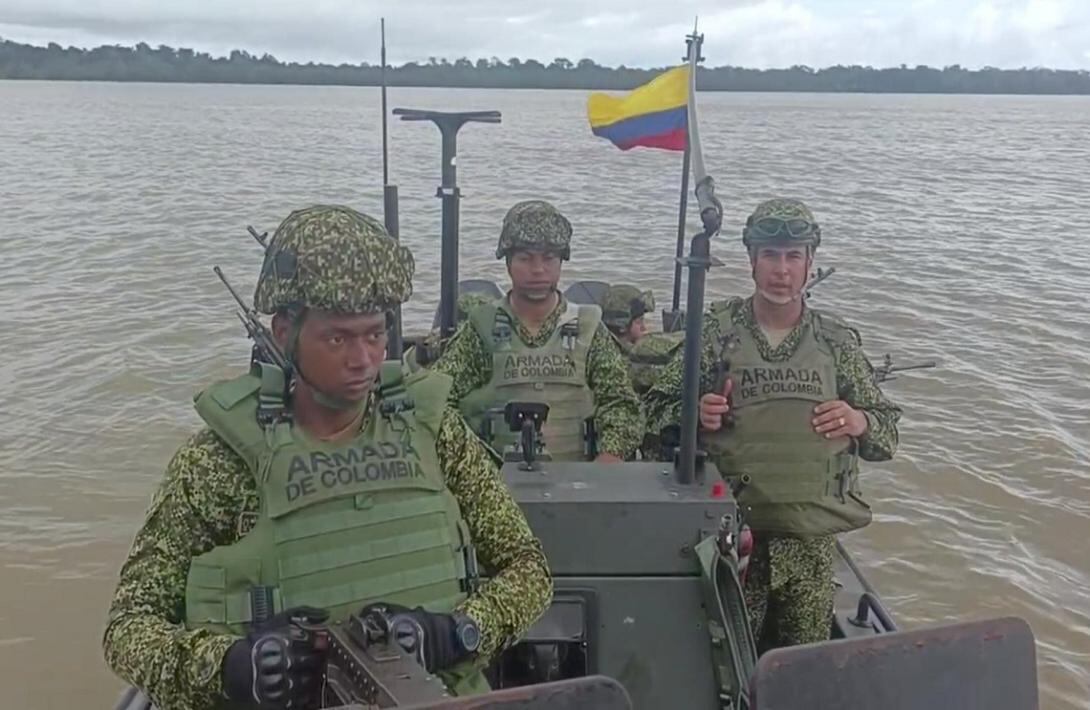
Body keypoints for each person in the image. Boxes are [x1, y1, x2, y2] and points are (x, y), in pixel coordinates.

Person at [102, 205, 553, 710]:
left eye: (375, 335)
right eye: (337, 338)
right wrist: (229, 666)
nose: (363, 360)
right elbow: (128, 627)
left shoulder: (434, 433)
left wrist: (454, 633)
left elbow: (529, 570)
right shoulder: (219, 463)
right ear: (284, 333)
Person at [643, 198, 901, 653]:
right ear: (751, 261)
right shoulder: (716, 333)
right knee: (726, 663)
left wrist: (859, 420)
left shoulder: (835, 343)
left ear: (809, 263)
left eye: (793, 256)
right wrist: (693, 414)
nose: (782, 270)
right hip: (730, 542)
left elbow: (886, 436)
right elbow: (652, 411)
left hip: (810, 548)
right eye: (770, 255)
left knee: (802, 670)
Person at [432, 199, 642, 462]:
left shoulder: (588, 328)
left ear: (561, 261)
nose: (538, 269)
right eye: (525, 258)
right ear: (508, 262)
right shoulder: (482, 330)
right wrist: (470, 464)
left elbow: (622, 403)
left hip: (578, 477)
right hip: (495, 478)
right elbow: (435, 402)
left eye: (549, 258)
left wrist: (609, 456)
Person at [601, 284, 683, 397]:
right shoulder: (622, 360)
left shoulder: (602, 345)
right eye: (639, 322)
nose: (644, 328)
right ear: (622, 326)